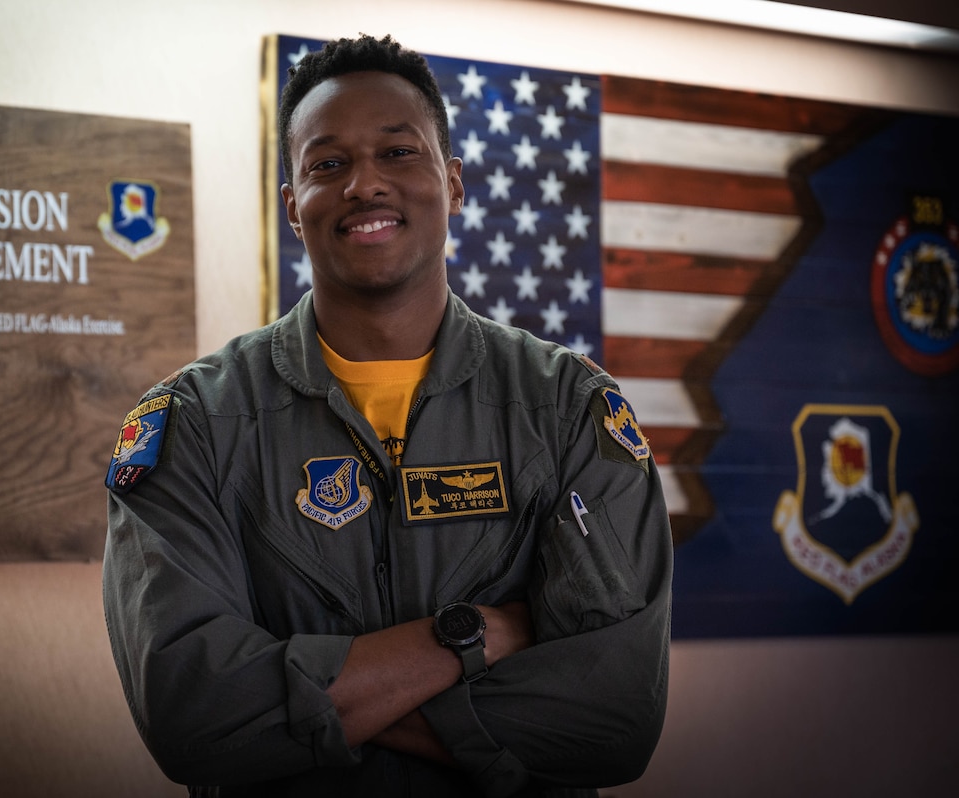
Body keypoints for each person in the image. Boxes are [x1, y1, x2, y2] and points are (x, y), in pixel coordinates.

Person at [102, 34, 673, 798]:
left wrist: (313, 699)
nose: (363, 184)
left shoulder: (568, 409)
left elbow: (614, 719)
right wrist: (468, 638)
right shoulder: (196, 423)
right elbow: (195, 717)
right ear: (293, 209)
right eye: (327, 164)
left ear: (455, 183)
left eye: (398, 153)